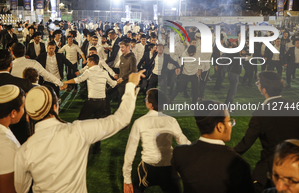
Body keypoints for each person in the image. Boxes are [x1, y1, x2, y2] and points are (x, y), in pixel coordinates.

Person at [14, 70, 145, 193]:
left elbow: (20, 189)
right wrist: (131, 86)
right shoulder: (78, 132)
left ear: (29, 115)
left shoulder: (23, 151)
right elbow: (121, 120)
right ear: (55, 107)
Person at [234, 71, 299, 193]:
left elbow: (246, 143)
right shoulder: (296, 106)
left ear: (263, 89)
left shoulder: (260, 113)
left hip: (269, 166)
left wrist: (226, 155)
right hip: (296, 167)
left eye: (258, 83)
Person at [172, 101, 254, 193]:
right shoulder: (238, 163)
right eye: (229, 121)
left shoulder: (179, 153)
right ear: (220, 127)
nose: (231, 126)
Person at [123, 88, 190, 193]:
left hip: (148, 168)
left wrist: (127, 179)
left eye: (146, 98)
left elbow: (130, 151)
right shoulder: (171, 121)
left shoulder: (139, 122)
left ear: (150, 105)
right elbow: (185, 143)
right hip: (169, 168)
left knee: (136, 188)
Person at [63, 54, 118, 153]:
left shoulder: (89, 72)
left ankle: (76, 144)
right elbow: (113, 84)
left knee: (79, 123)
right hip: (102, 103)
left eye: (87, 62)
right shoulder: (104, 72)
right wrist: (119, 81)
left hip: (92, 102)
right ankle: (97, 148)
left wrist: (65, 82)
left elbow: (78, 80)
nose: (86, 64)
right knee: (98, 126)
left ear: (92, 62)